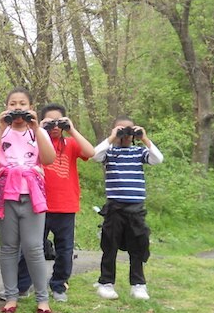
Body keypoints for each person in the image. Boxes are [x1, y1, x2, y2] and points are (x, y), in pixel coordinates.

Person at [0, 88, 56, 313]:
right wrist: (1, 128)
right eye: (12, 103)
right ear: (6, 107)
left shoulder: (38, 132)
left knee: (34, 247)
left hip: (32, 194)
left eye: (22, 104)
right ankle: (10, 295)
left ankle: (42, 299)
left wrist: (36, 128)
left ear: (30, 107)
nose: (17, 108)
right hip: (5, 194)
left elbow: (49, 159)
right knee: (8, 247)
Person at [14, 104, 95, 302]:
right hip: (39, 204)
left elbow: (90, 152)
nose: (55, 126)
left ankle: (59, 285)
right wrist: (39, 129)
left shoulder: (71, 144)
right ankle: (23, 285)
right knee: (32, 246)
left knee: (65, 249)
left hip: (66, 205)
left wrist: (72, 129)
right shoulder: (37, 142)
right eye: (50, 122)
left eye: (59, 122)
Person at [91, 117, 163, 300]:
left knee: (138, 246)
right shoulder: (110, 153)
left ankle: (138, 284)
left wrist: (144, 139)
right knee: (110, 246)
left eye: (128, 131)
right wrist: (111, 138)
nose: (124, 134)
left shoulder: (139, 152)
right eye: (120, 130)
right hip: (115, 207)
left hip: (135, 208)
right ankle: (106, 282)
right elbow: (94, 155)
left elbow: (158, 159)